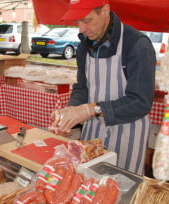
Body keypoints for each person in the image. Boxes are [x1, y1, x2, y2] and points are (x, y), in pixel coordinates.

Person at [50, 0, 156, 175]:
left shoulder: (137, 45)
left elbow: (140, 102)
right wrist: (71, 111)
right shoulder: (85, 45)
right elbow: (82, 87)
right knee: (88, 185)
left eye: (87, 20)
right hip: (93, 131)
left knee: (119, 189)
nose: (81, 29)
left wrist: (89, 109)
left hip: (127, 134)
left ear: (105, 10)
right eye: (77, 22)